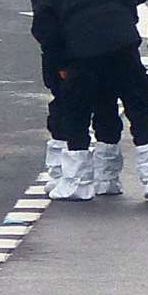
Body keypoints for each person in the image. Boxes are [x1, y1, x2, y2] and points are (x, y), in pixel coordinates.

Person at [29, 0, 148, 201]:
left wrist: (61, 65)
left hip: (82, 52)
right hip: (123, 44)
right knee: (138, 107)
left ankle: (79, 182)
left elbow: (45, 32)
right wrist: (121, 6)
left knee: (76, 111)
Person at [41, 55, 123, 195]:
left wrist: (59, 63)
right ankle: (106, 179)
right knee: (106, 104)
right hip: (110, 50)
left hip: (69, 54)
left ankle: (68, 177)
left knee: (68, 106)